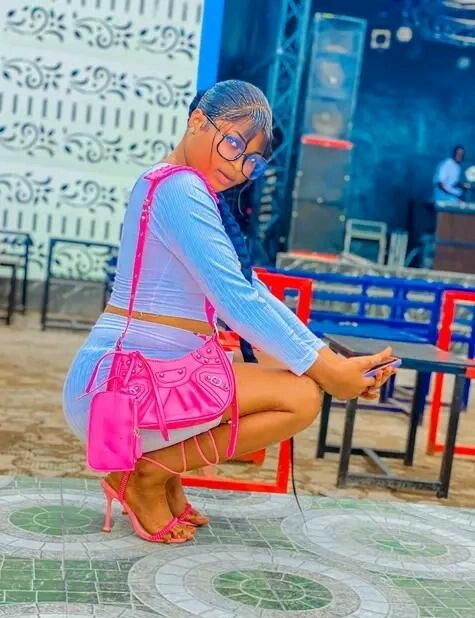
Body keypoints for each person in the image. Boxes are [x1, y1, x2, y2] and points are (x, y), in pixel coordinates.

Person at [63, 80, 395, 544]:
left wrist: (329, 361)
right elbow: (236, 300)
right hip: (123, 386)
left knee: (298, 383)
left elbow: (248, 287)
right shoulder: (179, 188)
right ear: (197, 121)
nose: (238, 166)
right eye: (234, 144)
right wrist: (328, 370)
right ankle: (146, 477)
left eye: (251, 160)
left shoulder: (177, 186)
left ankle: (157, 474)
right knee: (300, 397)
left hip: (141, 376)